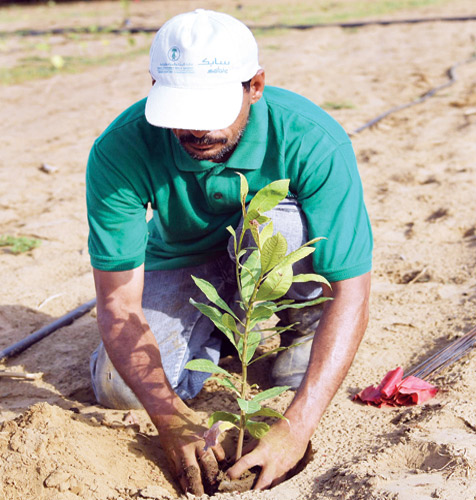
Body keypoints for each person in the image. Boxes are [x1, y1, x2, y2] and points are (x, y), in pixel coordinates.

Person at [86, 8, 372, 495]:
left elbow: (352, 290)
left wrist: (295, 429)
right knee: (116, 386)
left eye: (211, 109)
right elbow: (117, 303)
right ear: (154, 85)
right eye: (181, 109)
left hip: (277, 257)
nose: (195, 130)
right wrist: (172, 420)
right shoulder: (120, 148)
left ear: (255, 86)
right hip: (184, 260)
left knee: (275, 227)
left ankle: (296, 322)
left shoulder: (312, 139)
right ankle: (217, 333)